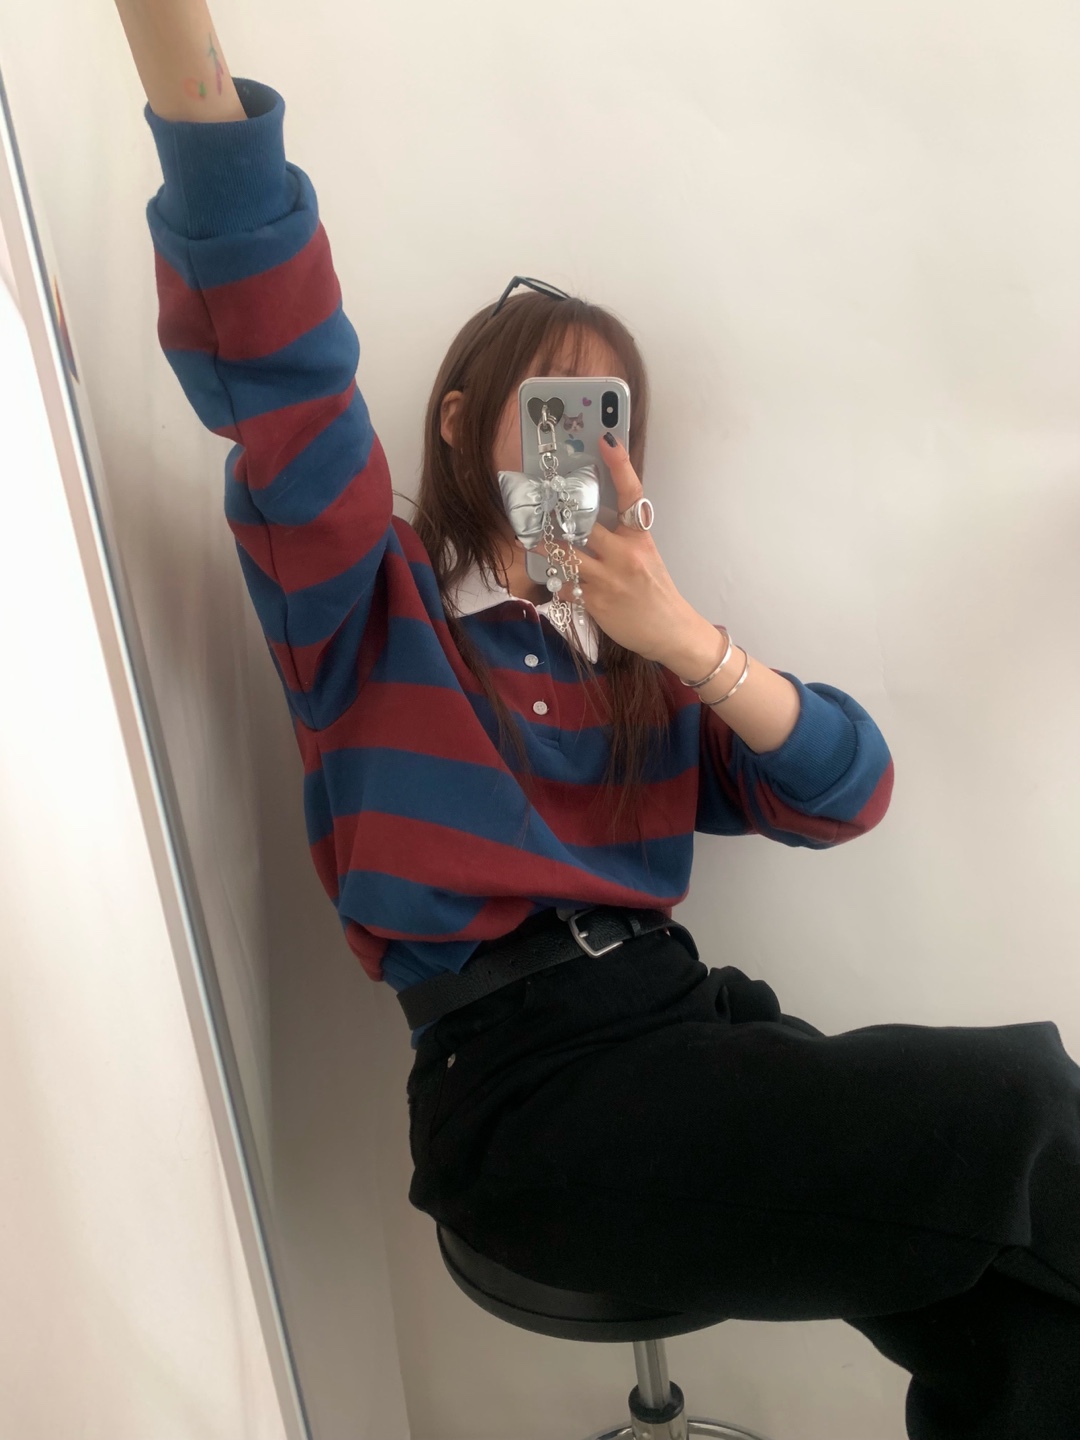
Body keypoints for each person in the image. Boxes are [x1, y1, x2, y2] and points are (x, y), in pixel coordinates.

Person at [113, 2, 1080, 1435]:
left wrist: (683, 641)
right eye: (555, 404)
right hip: (527, 1096)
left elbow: (850, 791)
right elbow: (284, 380)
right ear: (461, 422)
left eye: (609, 414)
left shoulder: (641, 667)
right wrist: (187, 79)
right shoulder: (372, 601)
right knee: (1024, 1106)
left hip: (688, 1026)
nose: (589, 442)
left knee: (1015, 1304)